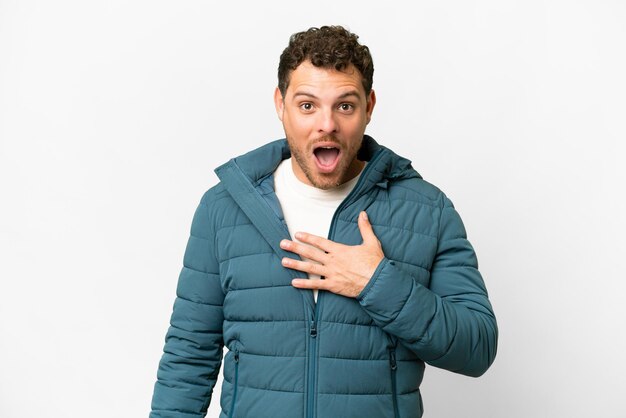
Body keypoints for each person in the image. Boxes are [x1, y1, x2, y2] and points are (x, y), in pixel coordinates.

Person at [150, 25, 497, 418]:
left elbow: (478, 348)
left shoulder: (427, 210)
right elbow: (188, 358)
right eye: (307, 105)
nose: (327, 124)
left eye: (345, 106)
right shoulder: (224, 209)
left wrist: (377, 283)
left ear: (369, 105)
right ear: (281, 104)